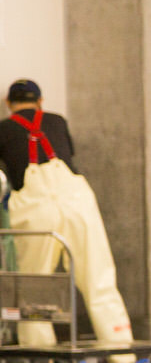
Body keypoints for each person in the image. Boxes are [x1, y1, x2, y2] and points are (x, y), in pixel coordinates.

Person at [0, 80, 134, 348]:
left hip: (34, 208)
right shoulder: (57, 121)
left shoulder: (3, 128)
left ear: (8, 104)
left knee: (34, 285)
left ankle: (39, 361)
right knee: (98, 277)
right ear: (40, 101)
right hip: (77, 202)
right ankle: (121, 352)